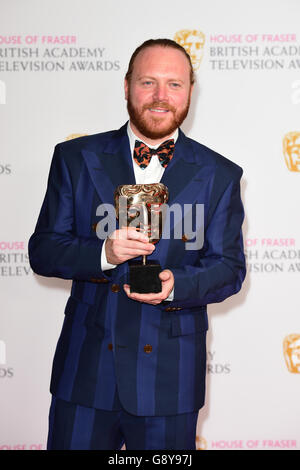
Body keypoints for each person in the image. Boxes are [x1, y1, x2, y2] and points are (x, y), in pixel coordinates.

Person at [29, 38, 246, 450]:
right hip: (87, 372)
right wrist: (102, 254)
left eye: (174, 84)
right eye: (148, 82)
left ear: (190, 92)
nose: (161, 96)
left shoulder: (220, 174)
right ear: (127, 85)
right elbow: (43, 250)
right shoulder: (75, 158)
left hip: (170, 379)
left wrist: (176, 285)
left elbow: (229, 269)